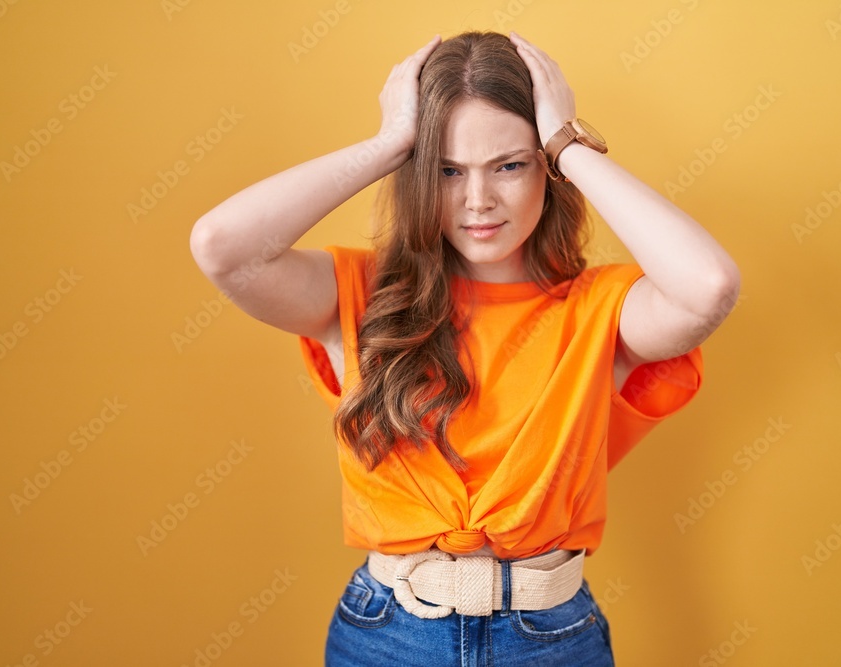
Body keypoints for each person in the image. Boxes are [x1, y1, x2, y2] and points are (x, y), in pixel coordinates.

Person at [190, 29, 740, 667]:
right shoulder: (362, 295)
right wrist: (390, 143)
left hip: (551, 640)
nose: (478, 200)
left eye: (510, 165)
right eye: (448, 170)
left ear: (547, 170)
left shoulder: (600, 311)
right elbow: (221, 246)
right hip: (385, 636)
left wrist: (567, 141)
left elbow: (710, 285)